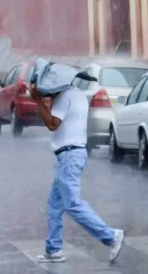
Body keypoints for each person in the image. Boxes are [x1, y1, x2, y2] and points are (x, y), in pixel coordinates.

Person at [30, 81, 124, 264]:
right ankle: (54, 250)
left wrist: (39, 101)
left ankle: (111, 236)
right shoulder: (76, 94)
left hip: (69, 155)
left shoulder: (65, 97)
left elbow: (52, 123)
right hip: (69, 155)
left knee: (72, 204)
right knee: (55, 205)